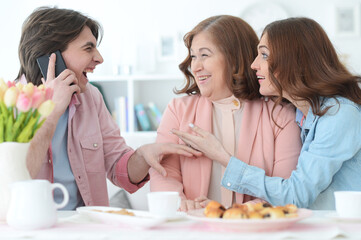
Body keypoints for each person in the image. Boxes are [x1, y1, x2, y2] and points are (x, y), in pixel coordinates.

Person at [18, 6, 201, 210]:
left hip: (88, 227)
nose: (99, 58)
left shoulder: (91, 98)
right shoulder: (9, 105)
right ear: (51, 56)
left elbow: (118, 167)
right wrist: (52, 110)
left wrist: (142, 155)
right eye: (88, 48)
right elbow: (17, 176)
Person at [173, 17, 361, 210]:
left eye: (264, 55)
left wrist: (223, 158)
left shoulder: (339, 116)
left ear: (293, 60)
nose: (254, 64)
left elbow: (295, 196)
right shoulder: (303, 116)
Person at [149, 15, 302, 211]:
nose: (195, 66)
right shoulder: (178, 110)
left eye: (204, 55)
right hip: (193, 228)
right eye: (193, 56)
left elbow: (285, 189)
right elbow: (164, 171)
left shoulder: (280, 114)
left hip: (254, 230)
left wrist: (232, 214)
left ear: (234, 58)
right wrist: (180, 204)